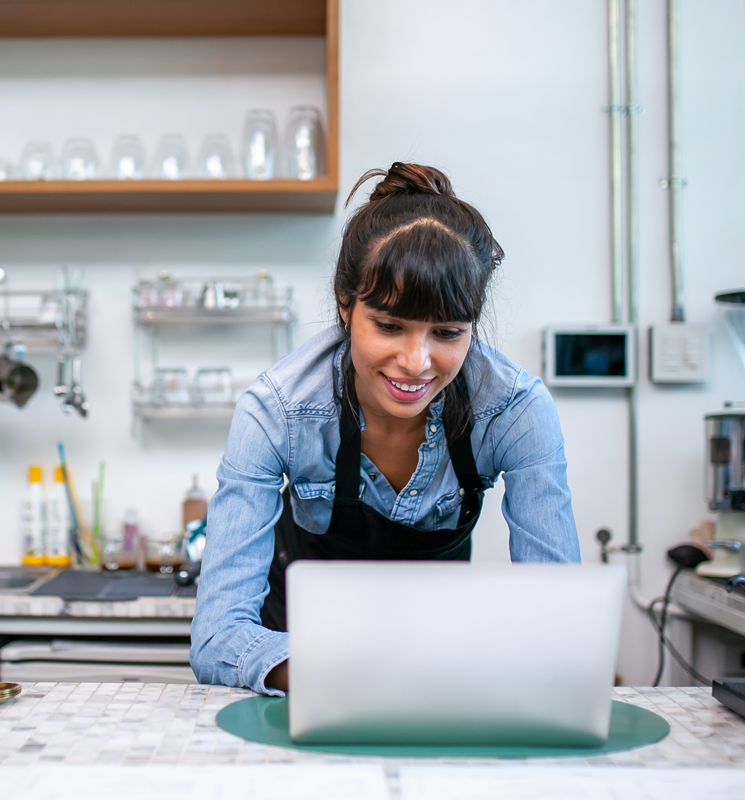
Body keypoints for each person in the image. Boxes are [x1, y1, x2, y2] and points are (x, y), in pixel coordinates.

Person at [189, 162, 580, 695]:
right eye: (390, 326)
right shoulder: (277, 410)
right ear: (346, 307)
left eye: (446, 332)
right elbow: (217, 638)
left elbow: (554, 621)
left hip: (437, 675)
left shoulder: (515, 411)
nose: (416, 362)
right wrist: (341, 674)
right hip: (303, 681)